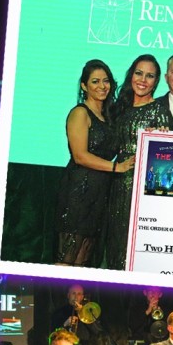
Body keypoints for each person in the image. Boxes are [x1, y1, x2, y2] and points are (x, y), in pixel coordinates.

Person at [55, 60, 133, 266]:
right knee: (66, 259)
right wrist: (118, 167)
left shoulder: (110, 117)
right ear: (84, 86)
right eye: (95, 81)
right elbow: (80, 155)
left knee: (82, 261)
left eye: (105, 81)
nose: (102, 86)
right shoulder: (80, 113)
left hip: (100, 194)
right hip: (79, 192)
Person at [107, 54, 172, 270]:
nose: (143, 79)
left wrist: (163, 139)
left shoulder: (159, 110)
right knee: (115, 248)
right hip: (116, 185)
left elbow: (166, 157)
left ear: (156, 81)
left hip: (141, 190)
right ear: (131, 75)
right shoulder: (118, 108)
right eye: (139, 73)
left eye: (150, 75)